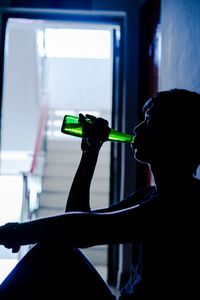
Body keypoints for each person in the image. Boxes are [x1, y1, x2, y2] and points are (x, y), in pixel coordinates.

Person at [0, 89, 200, 299]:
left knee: (50, 253)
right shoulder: (148, 196)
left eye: (149, 121)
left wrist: (14, 232)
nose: (137, 128)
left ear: (175, 135)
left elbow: (82, 230)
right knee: (55, 249)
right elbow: (76, 222)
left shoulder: (183, 202)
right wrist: (90, 153)